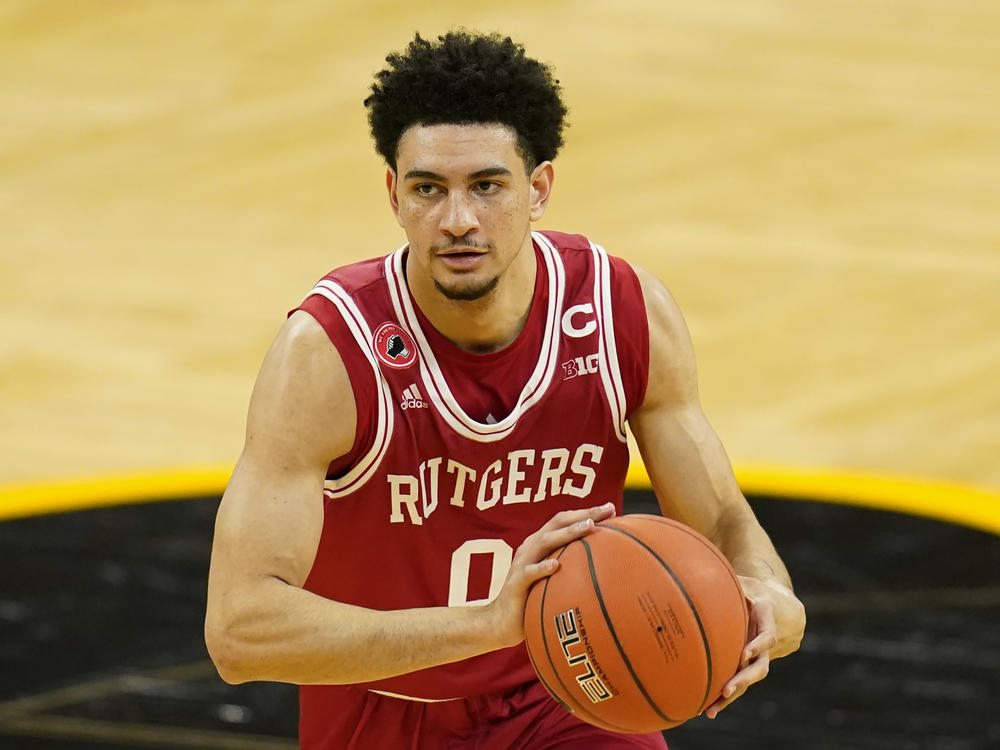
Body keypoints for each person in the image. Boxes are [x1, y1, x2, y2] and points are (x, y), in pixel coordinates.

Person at [205, 30, 806, 750]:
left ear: (539, 189)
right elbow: (239, 631)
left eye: (487, 186)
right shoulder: (330, 354)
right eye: (429, 189)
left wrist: (770, 597)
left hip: (570, 689)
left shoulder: (621, 314)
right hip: (385, 703)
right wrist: (486, 625)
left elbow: (723, 523)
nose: (457, 221)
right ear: (395, 195)